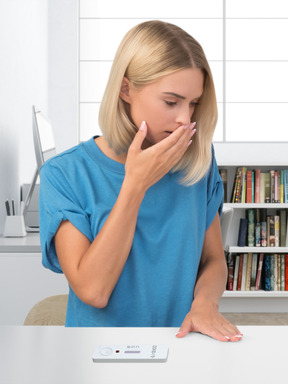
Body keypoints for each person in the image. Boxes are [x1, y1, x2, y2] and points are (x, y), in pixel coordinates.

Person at [40, 20, 242, 342]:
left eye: (194, 104)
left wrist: (205, 304)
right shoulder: (65, 175)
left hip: (183, 344)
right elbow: (94, 291)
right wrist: (135, 185)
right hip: (98, 355)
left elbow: (213, 260)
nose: (185, 120)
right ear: (125, 90)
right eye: (171, 102)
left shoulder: (197, 163)